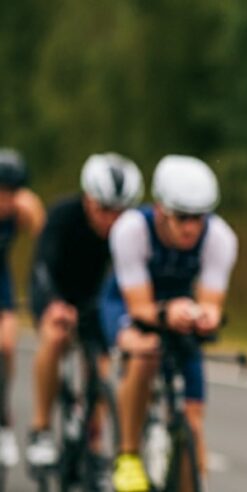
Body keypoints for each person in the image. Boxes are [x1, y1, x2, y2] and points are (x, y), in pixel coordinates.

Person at [103, 155, 237, 492]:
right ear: (161, 209)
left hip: (180, 309)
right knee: (145, 350)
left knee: (192, 420)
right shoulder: (131, 229)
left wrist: (207, 316)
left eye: (199, 217)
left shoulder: (220, 237)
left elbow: (211, 301)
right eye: (182, 217)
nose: (191, 227)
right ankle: (128, 455)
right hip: (130, 302)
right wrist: (165, 313)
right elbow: (139, 307)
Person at [26, 153, 144, 482]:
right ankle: (41, 429)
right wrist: (53, 303)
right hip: (58, 293)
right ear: (87, 198)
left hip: (97, 303)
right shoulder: (63, 216)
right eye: (104, 209)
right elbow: (42, 267)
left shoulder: (130, 231)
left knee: (103, 368)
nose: (111, 219)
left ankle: (93, 445)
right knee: (55, 336)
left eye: (120, 211)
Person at [0, 149, 45, 466]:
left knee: (6, 345)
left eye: (11, 192)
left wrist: (41, 291)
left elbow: (46, 249)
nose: (5, 199)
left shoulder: (25, 208)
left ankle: (3, 420)